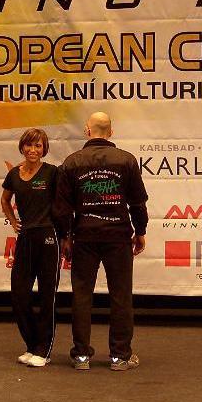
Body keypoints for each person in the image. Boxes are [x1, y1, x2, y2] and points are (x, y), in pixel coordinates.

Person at [54, 112, 148, 371]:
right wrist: (140, 230)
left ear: (87, 131)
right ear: (111, 132)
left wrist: (65, 236)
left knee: (82, 295)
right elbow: (138, 202)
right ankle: (120, 356)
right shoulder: (126, 160)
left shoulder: (72, 162)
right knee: (121, 295)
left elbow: (62, 208)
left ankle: (81, 356)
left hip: (84, 236)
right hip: (118, 236)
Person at [1, 128, 61, 368]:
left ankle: (44, 350)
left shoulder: (52, 173)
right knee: (19, 295)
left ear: (44, 149)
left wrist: (66, 235)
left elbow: (63, 205)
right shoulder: (14, 174)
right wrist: (13, 221)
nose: (33, 150)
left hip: (48, 237)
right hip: (25, 238)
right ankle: (32, 345)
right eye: (29, 145)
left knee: (47, 297)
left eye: (38, 146)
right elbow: (5, 199)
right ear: (22, 147)